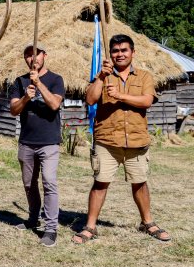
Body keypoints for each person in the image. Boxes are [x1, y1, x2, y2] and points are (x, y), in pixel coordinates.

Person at [73, 34, 172, 244]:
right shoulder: (103, 76)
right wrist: (101, 77)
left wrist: (120, 96)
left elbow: (146, 101)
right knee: (100, 183)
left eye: (124, 50)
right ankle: (90, 226)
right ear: (111, 54)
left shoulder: (144, 77)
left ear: (133, 52)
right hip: (107, 141)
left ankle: (148, 223)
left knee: (140, 183)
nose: (120, 54)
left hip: (137, 140)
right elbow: (90, 99)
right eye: (116, 51)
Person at [8, 43, 64, 247]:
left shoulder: (56, 79)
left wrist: (39, 84)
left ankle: (50, 228)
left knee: (49, 182)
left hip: (49, 142)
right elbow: (14, 110)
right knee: (29, 184)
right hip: (26, 142)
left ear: (44, 56)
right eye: (27, 55)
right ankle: (33, 218)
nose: (32, 59)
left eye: (36, 54)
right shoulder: (20, 81)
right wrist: (25, 97)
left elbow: (55, 104)